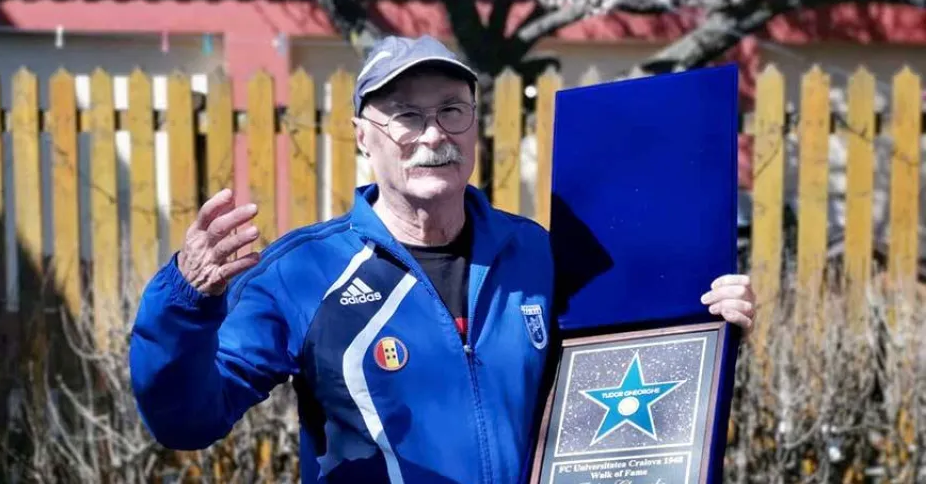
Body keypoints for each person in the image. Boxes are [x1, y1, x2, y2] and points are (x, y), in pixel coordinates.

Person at [129, 35, 756, 484]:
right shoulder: (301, 274)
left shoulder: (538, 251)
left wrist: (709, 326)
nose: (433, 135)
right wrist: (184, 301)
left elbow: (628, 378)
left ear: (474, 125)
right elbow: (186, 420)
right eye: (406, 115)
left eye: (452, 110)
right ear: (362, 136)